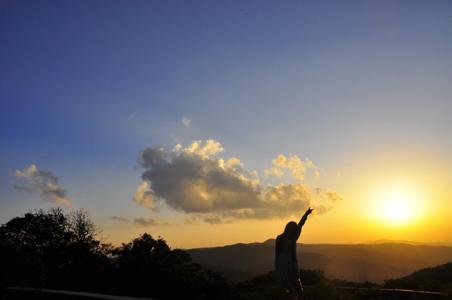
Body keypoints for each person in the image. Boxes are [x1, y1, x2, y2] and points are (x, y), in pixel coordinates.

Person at [275, 207, 314, 300]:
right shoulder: (293, 237)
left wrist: (276, 265)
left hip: (282, 264)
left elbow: (277, 253)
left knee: (287, 288)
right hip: (290, 265)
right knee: (297, 289)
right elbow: (301, 225)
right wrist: (306, 214)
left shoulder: (280, 238)